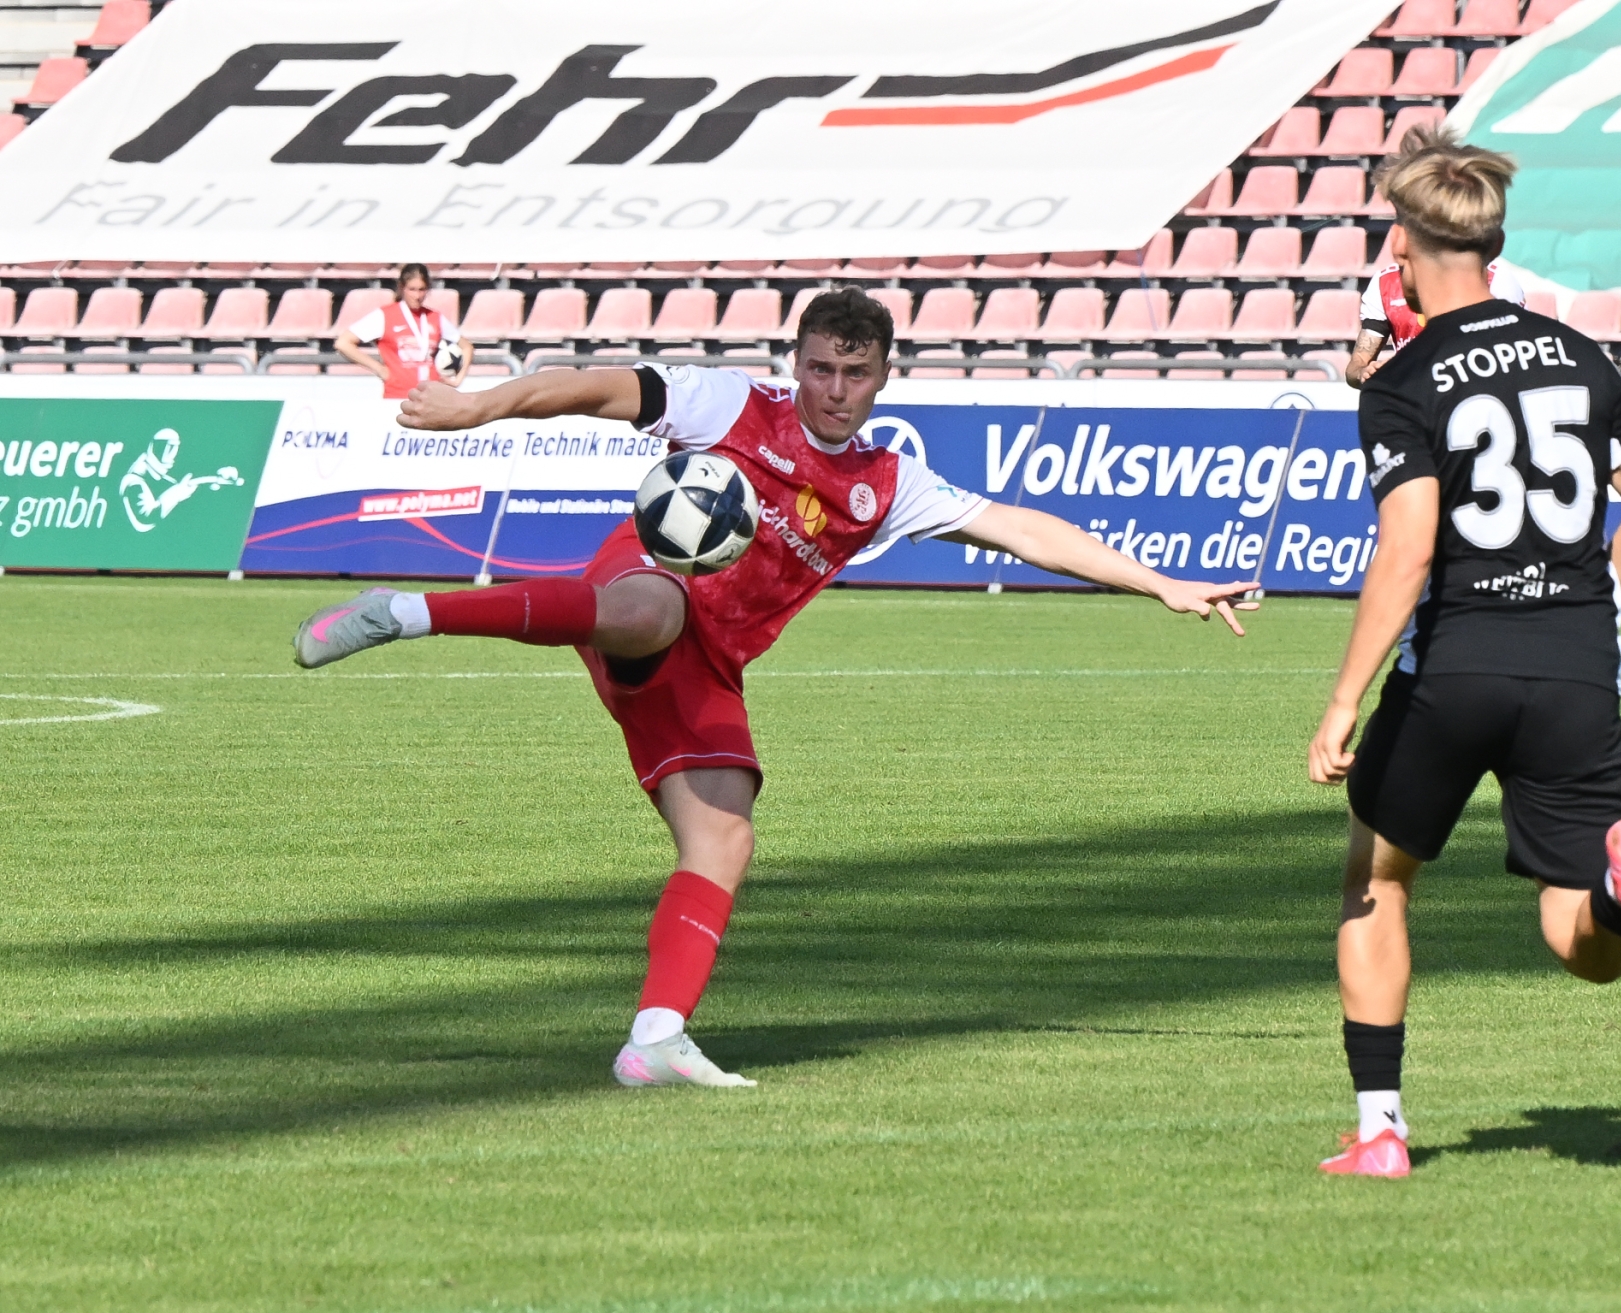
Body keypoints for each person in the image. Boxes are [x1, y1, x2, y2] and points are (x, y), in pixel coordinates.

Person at [291, 289, 1259, 1089]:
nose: (835, 390)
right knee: (647, 611)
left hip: (711, 660)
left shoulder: (887, 482)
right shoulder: (729, 404)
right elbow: (593, 385)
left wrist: (1160, 581)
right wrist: (479, 406)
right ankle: (406, 610)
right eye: (821, 368)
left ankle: (656, 1037)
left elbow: (1023, 528)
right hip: (643, 587)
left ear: (883, 376)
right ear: (796, 363)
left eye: (855, 373)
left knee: (725, 836)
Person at [1304, 128, 1621, 1178]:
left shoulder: (1403, 380)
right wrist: (1587, 590)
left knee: (1377, 879)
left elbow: (1407, 551)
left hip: (1455, 664)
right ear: (1492, 245)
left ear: (1405, 245)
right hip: (1575, 667)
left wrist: (1343, 700)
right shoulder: (1581, 356)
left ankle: (1381, 1131)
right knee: (1579, 937)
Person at [1345, 158, 1528, 390]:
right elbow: (1355, 368)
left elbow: (1514, 364)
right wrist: (1365, 373)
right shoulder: (1384, 284)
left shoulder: (1497, 281)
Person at [334, 263, 472, 399]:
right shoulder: (385, 315)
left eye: (422, 289)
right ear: (401, 288)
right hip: (397, 395)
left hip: (432, 397)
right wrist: (379, 369)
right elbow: (343, 343)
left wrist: (457, 379)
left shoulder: (435, 317)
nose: (417, 295)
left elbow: (466, 347)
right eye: (412, 289)